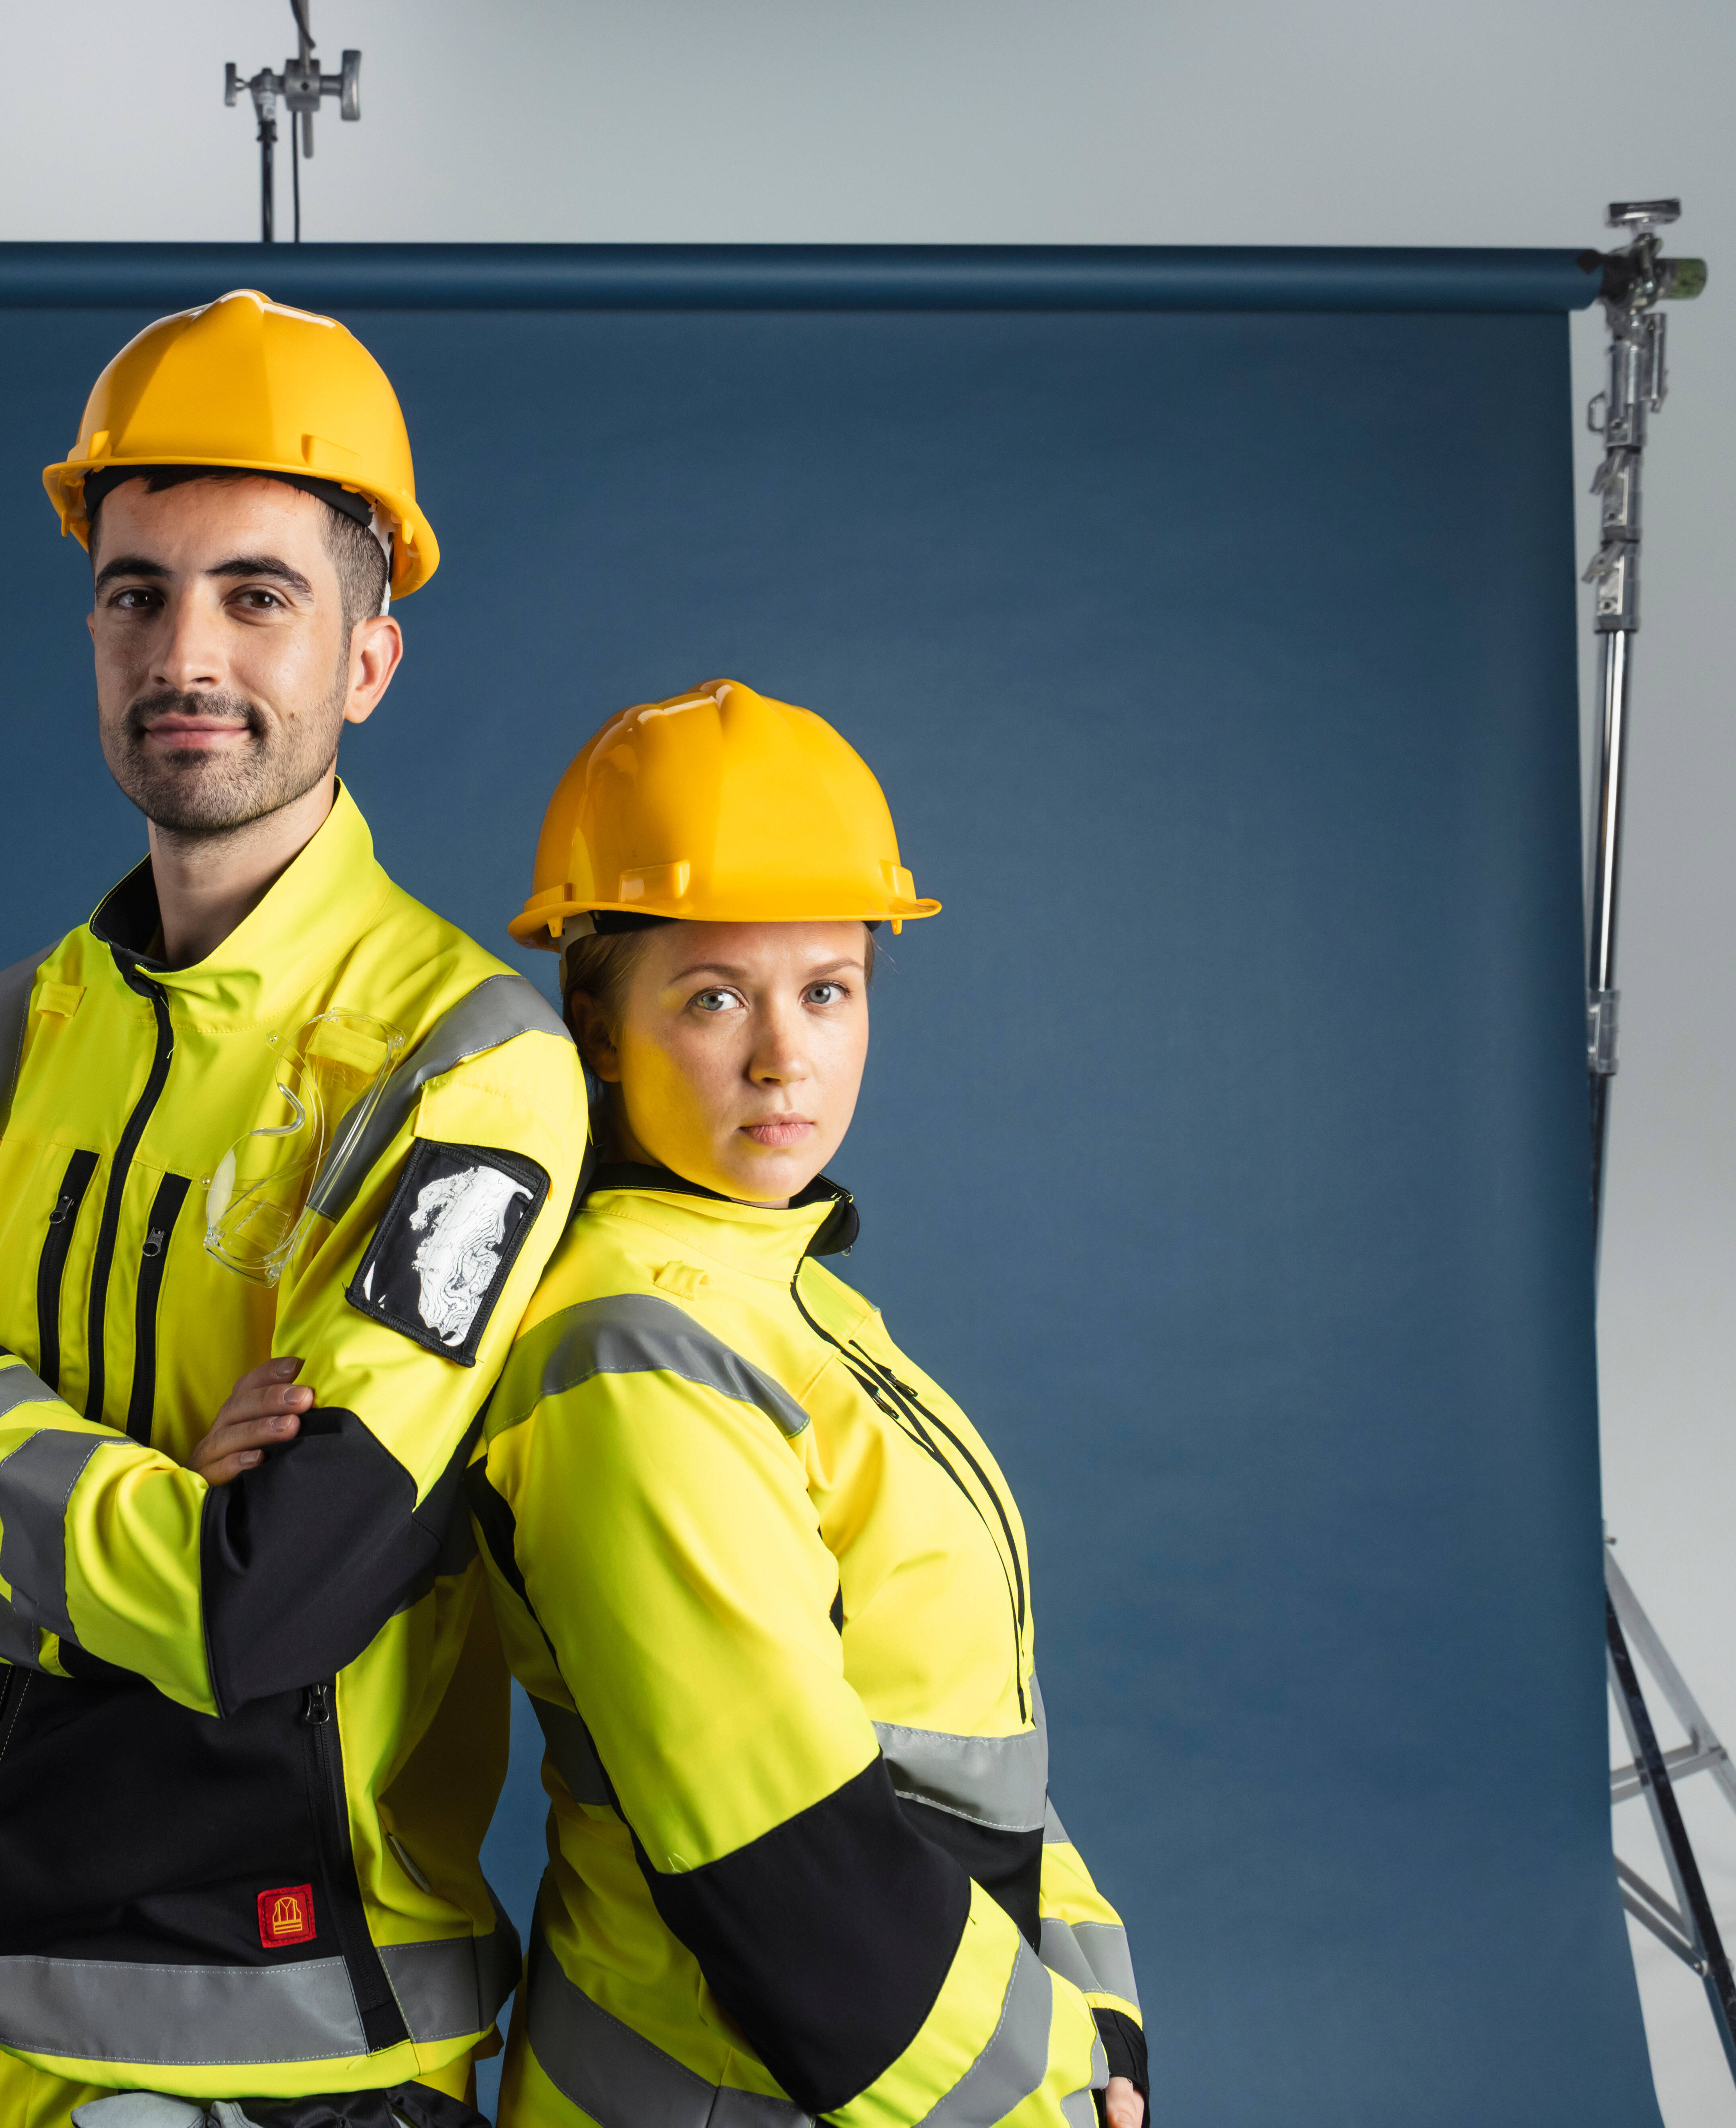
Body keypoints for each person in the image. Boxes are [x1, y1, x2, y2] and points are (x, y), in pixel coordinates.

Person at [0, 289, 590, 2128]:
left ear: (369, 656)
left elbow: (260, 1606)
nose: (185, 648)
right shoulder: (6, 1034)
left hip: (290, 2057)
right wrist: (129, 1524)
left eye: (257, 592)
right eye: (137, 591)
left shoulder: (468, 1071)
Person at [471, 682, 1151, 2128]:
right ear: (597, 1033)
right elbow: (784, 1870)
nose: (786, 1055)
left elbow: (965, 1747)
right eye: (714, 996)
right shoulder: (635, 1358)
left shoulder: (792, 1298)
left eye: (826, 989)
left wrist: (1097, 2012)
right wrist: (1048, 2093)